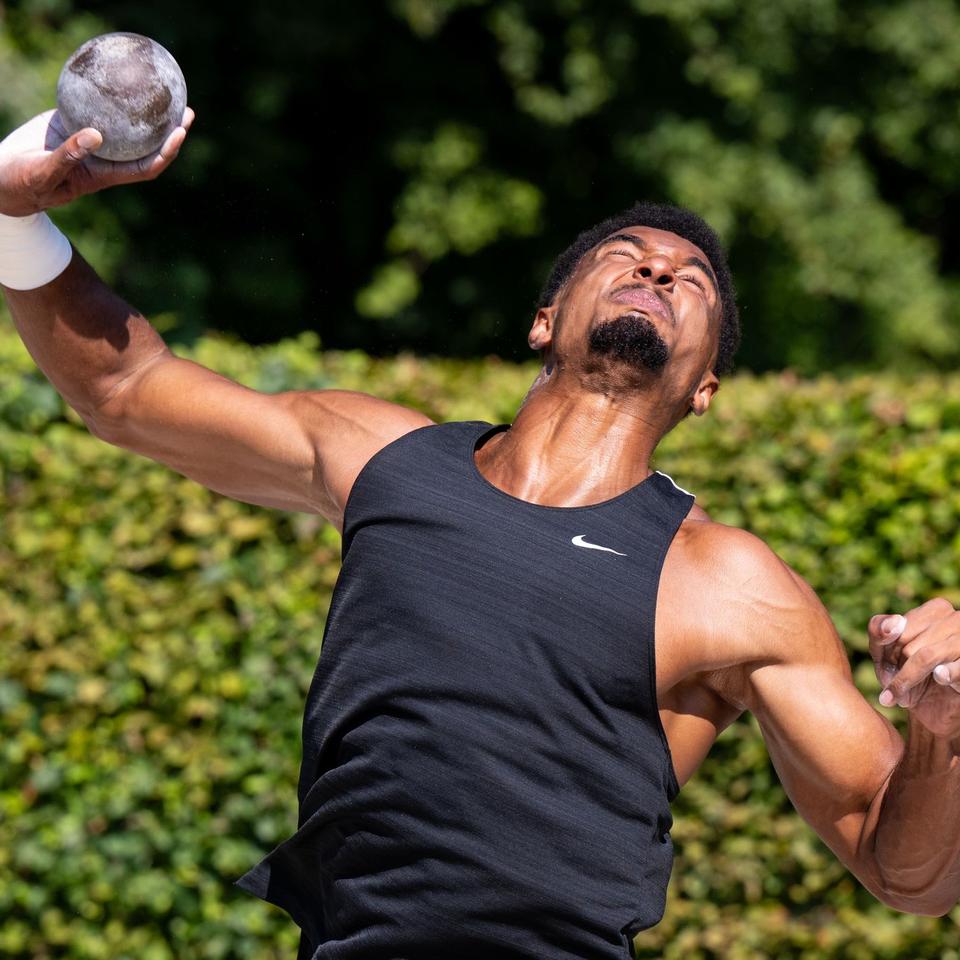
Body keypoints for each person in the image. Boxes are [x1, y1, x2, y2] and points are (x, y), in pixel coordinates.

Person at [2, 108, 960, 960]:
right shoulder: (383, 456)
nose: (662, 266)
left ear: (706, 388)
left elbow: (905, 869)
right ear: (545, 321)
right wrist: (16, 221)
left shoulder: (726, 581)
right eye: (627, 254)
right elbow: (126, 390)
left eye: (694, 280)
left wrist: (940, 735)